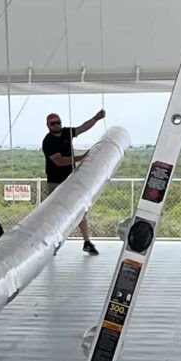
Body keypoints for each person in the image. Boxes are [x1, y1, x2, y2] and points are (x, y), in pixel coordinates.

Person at [42, 107, 107, 255]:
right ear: (48, 126)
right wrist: (81, 158)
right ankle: (52, 244)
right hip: (56, 181)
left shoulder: (66, 132)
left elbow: (82, 127)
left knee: (81, 211)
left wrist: (96, 118)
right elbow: (58, 161)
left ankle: (87, 242)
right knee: (54, 213)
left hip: (71, 179)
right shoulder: (48, 141)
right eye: (52, 123)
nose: (56, 125)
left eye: (57, 122)